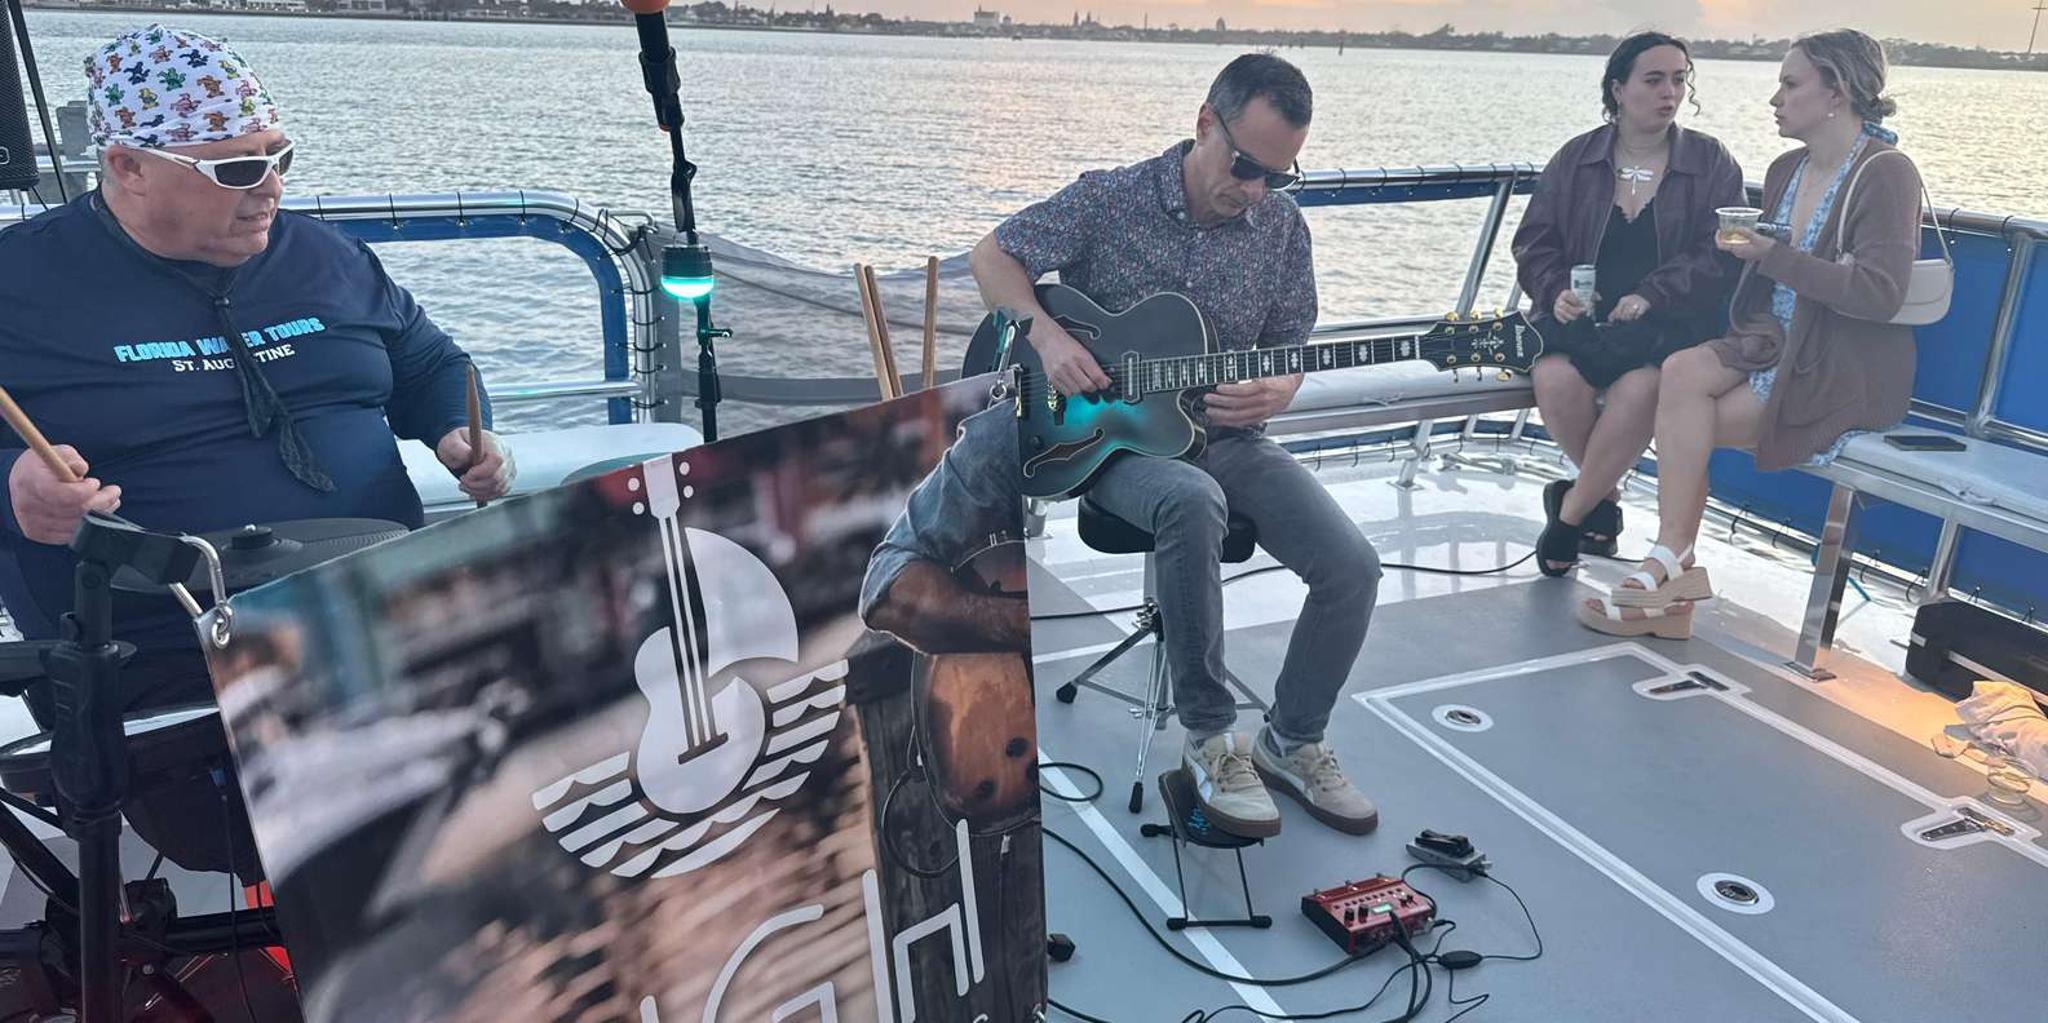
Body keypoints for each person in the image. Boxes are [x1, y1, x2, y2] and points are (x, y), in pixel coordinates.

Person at [0, 24, 513, 868]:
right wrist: (14, 484)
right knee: (405, 832)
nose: (269, 188)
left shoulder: (327, 257)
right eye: (236, 168)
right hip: (179, 666)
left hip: (391, 622)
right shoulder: (17, 284)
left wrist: (460, 428)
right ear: (126, 164)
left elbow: (426, 360)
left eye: (279, 156)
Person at [867, 54, 1381, 840]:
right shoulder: (1110, 199)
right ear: (1205, 122)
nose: (1255, 190)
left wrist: (1281, 388)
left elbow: (1290, 346)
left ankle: (1291, 739)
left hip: (1226, 436)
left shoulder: (1281, 229)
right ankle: (1211, 738)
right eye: (1245, 166)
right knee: (1189, 498)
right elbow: (991, 256)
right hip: (1113, 446)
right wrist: (1046, 334)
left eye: (1277, 176)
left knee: (1353, 564)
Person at [1581, 29, 1925, 640]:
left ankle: (1670, 570)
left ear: (1836, 93)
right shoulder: (1787, 167)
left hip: (1835, 362)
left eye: (1790, 84)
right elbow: (1778, 273)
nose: (1775, 98)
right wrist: (1745, 254)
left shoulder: (1885, 173)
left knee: (1686, 425)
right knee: (1679, 374)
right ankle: (1674, 567)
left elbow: (1879, 294)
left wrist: (1770, 256)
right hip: (1768, 340)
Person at [1510, 30, 1745, 577]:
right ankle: (1604, 500)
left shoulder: (1710, 162)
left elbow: (1722, 256)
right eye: (1654, 79)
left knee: (1642, 389)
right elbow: (1534, 241)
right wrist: (1554, 292)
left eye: (1680, 79)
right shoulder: (1577, 158)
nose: (1670, 92)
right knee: (1554, 380)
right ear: (1618, 89)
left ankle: (1568, 517)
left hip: (1667, 326)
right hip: (1582, 324)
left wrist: (1651, 294)